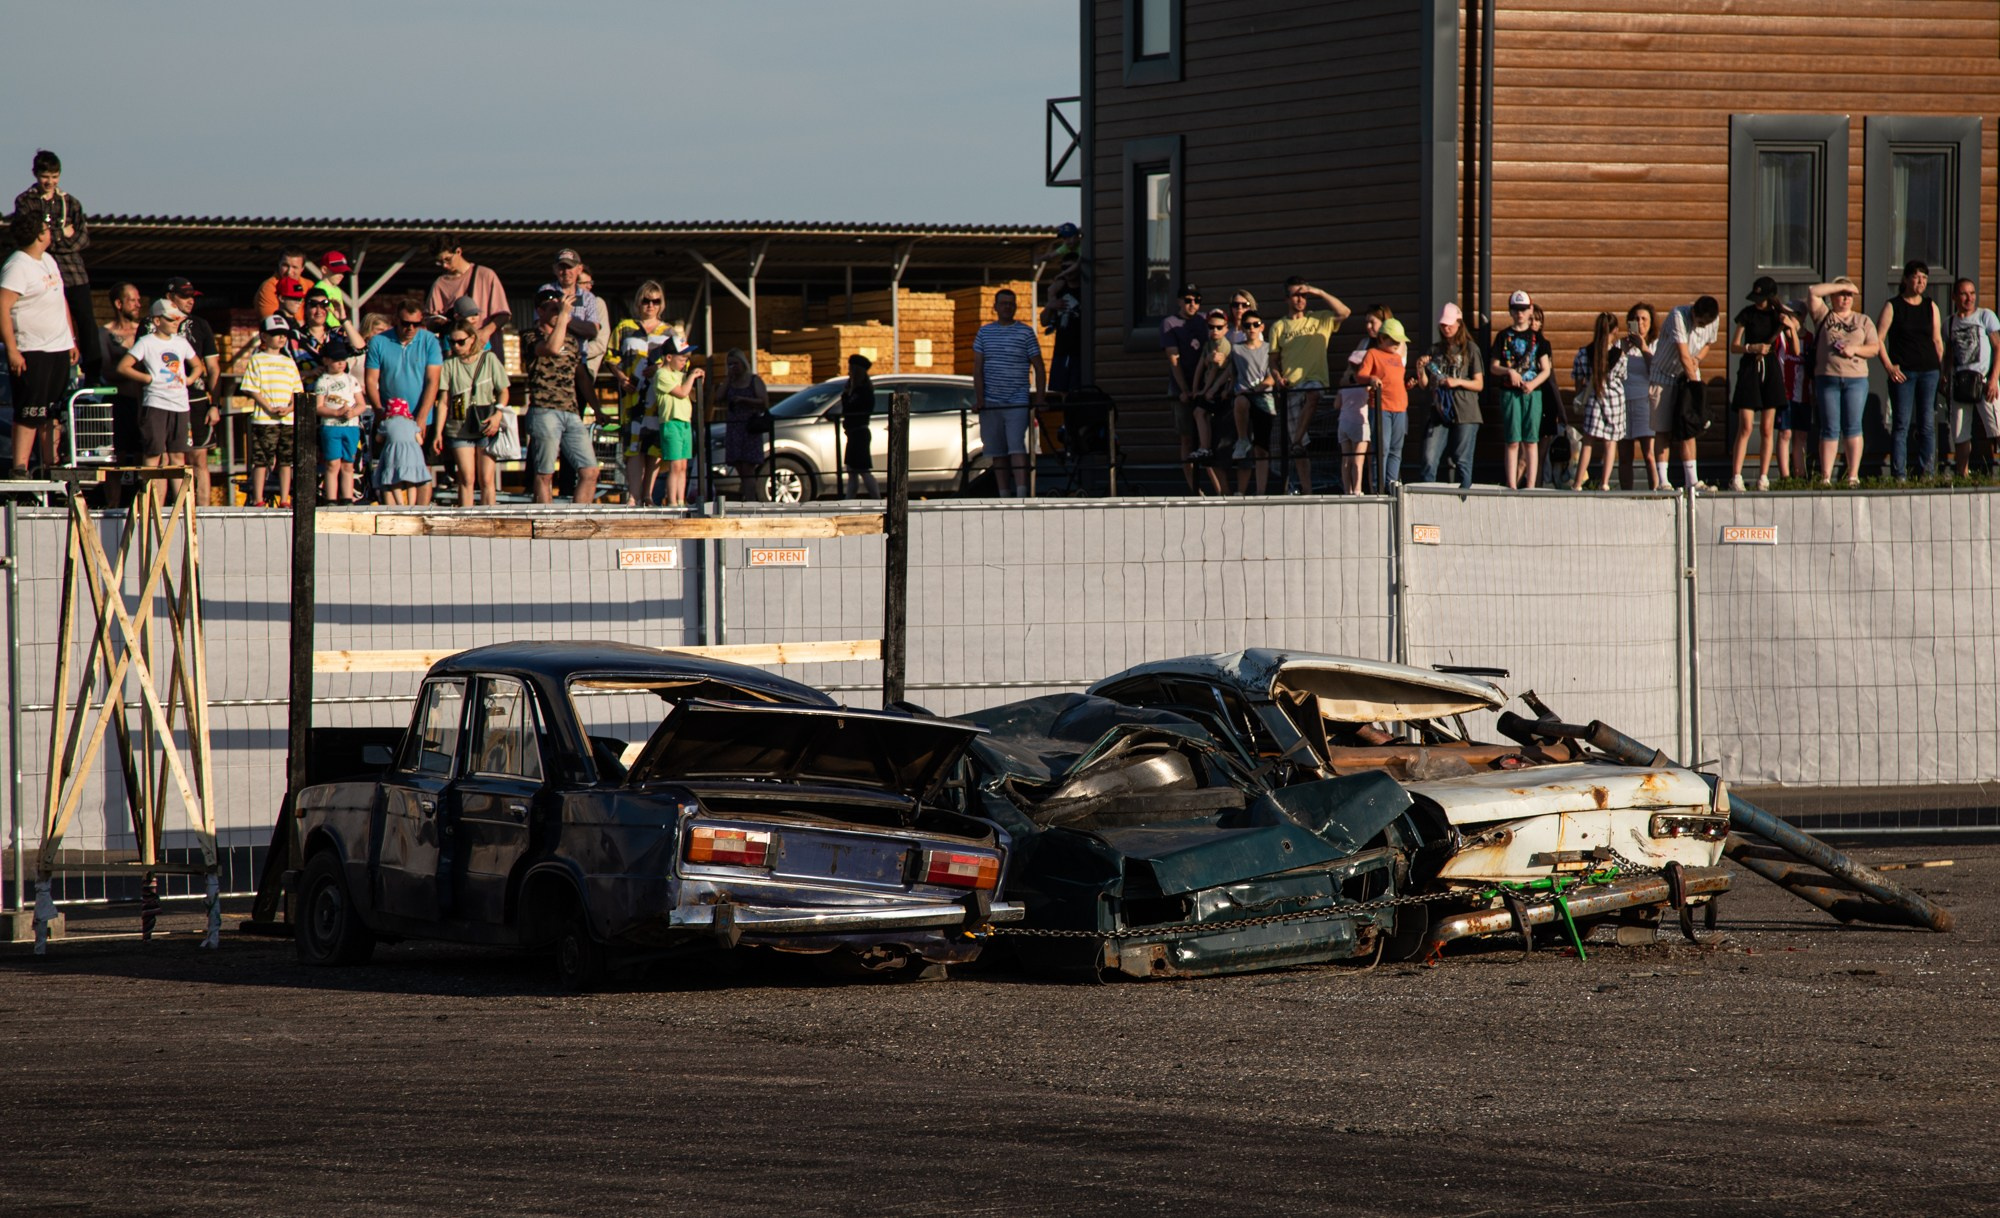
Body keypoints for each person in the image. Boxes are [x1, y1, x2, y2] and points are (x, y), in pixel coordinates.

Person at [0, 210, 77, 477]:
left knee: (52, 411)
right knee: (30, 410)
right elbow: (3, 306)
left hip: (57, 347)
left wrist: (70, 339)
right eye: (46, 228)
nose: (50, 232)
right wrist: (12, 349)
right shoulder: (17, 265)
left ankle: (51, 466)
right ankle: (20, 468)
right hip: (32, 349)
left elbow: (61, 298)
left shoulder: (48, 261)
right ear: (37, 233)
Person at [13, 151, 93, 381]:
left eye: (55, 176)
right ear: (36, 175)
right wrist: (60, 234)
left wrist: (51, 240)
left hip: (72, 271)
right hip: (41, 270)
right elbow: (28, 233)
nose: (50, 182)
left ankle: (93, 371)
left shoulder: (71, 202)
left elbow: (83, 238)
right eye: (45, 176)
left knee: (85, 319)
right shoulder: (25, 201)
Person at [1267, 278, 1352, 494]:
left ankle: (1295, 441)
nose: (1300, 299)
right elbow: (1273, 361)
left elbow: (1345, 312)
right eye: (1296, 294)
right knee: (1301, 447)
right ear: (1287, 298)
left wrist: (1319, 292)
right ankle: (1307, 491)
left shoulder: (1319, 319)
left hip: (1314, 379)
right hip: (1291, 386)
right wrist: (1278, 378)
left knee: (1314, 395)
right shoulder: (1279, 326)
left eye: (1303, 295)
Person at [523, 285, 597, 504]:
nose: (557, 313)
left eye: (560, 308)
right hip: (544, 411)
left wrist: (597, 407)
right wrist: (565, 315)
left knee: (590, 471)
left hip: (571, 412)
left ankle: (576, 523)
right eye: (552, 309)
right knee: (545, 473)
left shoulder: (572, 342)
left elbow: (582, 377)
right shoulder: (531, 336)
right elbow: (552, 348)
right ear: (540, 311)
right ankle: (545, 525)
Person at [365, 296, 443, 503]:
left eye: (416, 324)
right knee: (389, 467)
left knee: (422, 469)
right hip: (390, 419)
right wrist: (380, 412)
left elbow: (432, 381)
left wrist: (422, 417)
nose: (410, 328)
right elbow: (371, 381)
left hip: (421, 417)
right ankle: (392, 514)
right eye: (406, 323)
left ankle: (421, 514)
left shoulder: (429, 342)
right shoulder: (379, 341)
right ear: (396, 320)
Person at [971, 286, 1046, 498]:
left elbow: (1039, 366)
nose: (1007, 308)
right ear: (995, 307)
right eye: (1003, 304)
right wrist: (980, 399)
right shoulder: (984, 333)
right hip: (991, 401)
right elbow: (977, 368)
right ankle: (1004, 495)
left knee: (1016, 446)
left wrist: (1040, 398)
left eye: (1011, 304)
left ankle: (1022, 493)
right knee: (996, 450)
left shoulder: (1025, 332)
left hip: (1017, 399)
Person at [115, 298, 198, 483]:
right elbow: (123, 367)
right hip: (156, 403)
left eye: (178, 319)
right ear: (157, 321)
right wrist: (147, 378)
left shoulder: (181, 342)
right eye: (171, 319)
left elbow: (198, 366)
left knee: (178, 457)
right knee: (154, 454)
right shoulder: (146, 342)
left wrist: (190, 379)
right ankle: (150, 505)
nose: (176, 323)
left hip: (180, 404)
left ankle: (181, 506)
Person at [1807, 278, 1880, 486]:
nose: (1846, 297)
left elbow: (1874, 348)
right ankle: (1826, 477)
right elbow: (1813, 291)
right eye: (1841, 293)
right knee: (1829, 427)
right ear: (1833, 295)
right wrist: (1842, 285)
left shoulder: (1863, 320)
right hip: (1827, 378)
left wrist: (1854, 349)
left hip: (1855, 380)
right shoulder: (1824, 315)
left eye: (1849, 294)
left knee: (1853, 426)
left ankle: (1853, 476)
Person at [1878, 259, 1944, 481]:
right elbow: (1879, 340)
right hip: (1903, 373)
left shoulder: (1930, 306)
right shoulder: (1893, 306)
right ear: (1906, 279)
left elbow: (1937, 340)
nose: (1921, 281)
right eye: (1916, 277)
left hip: (1929, 371)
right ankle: (1899, 474)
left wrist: (1942, 369)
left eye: (1924, 278)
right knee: (1901, 424)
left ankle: (1927, 472)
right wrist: (1889, 367)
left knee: (1926, 423)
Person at [1649, 294, 1722, 491]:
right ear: (1693, 313)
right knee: (1663, 428)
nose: (1699, 326)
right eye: (1698, 322)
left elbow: (1708, 344)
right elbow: (1682, 355)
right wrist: (1699, 391)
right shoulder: (1678, 316)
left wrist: (1698, 358)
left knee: (1688, 429)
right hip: (1664, 375)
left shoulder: (1714, 320)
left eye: (1704, 324)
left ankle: (1693, 481)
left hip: (1688, 376)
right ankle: (1663, 482)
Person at [610, 282, 672, 502]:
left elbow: (681, 362)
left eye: (655, 301)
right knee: (634, 448)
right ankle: (633, 495)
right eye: (646, 300)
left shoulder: (668, 332)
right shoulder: (624, 327)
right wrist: (621, 377)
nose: (650, 305)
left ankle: (648, 494)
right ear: (638, 302)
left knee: (653, 448)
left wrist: (660, 367)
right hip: (632, 396)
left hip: (657, 398)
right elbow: (612, 357)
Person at [437, 318, 509, 506]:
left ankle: (490, 522)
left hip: (486, 423)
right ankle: (465, 522)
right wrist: (438, 432)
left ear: (472, 338)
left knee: (486, 479)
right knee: (466, 478)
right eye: (452, 342)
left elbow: (504, 391)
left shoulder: (489, 358)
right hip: (458, 426)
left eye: (461, 341)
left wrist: (498, 414)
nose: (456, 346)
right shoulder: (449, 364)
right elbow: (444, 401)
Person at [1728, 277, 1791, 491]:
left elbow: (1795, 343)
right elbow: (1734, 346)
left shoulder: (1778, 316)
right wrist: (1751, 347)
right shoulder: (1747, 314)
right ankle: (1736, 475)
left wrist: (1790, 324)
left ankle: (1764, 476)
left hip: (1770, 368)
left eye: (1762, 298)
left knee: (1767, 427)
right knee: (1745, 425)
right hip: (1750, 368)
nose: (1758, 302)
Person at [164, 278, 222, 505]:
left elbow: (214, 367)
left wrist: (215, 404)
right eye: (184, 296)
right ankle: (179, 508)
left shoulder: (200, 324)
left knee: (200, 458)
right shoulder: (152, 324)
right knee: (173, 458)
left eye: (193, 297)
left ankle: (204, 511)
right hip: (166, 400)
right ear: (170, 297)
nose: (190, 301)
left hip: (197, 399)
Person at [1413, 303, 1483, 489]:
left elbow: (1479, 384)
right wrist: (1420, 369)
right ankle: (1427, 497)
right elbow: (1425, 385)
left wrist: (1457, 382)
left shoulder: (1471, 349)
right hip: (1439, 410)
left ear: (1459, 323)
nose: (1446, 328)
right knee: (1429, 457)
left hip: (1466, 410)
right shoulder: (1434, 350)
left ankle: (1465, 498)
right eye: (1443, 325)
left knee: (1462, 459)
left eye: (1450, 324)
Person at [1489, 290, 1551, 489]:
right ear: (1510, 311)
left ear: (1530, 309)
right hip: (1510, 392)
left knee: (1531, 440)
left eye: (1523, 309)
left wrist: (1533, 384)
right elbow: (1493, 366)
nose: (1520, 313)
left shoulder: (1539, 340)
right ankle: (1511, 484)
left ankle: (1531, 485)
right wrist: (1509, 372)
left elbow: (1545, 369)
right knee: (1513, 440)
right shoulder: (1503, 336)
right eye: (1516, 309)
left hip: (1532, 393)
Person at [241, 315, 302, 507]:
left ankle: (285, 499)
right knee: (261, 460)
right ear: (264, 337)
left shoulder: (289, 362)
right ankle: (258, 498)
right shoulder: (257, 360)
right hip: (264, 419)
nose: (281, 338)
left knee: (286, 461)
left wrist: (289, 408)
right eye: (276, 334)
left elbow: (297, 391)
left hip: (287, 419)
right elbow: (250, 388)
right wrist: (269, 407)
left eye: (284, 334)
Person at [1945, 277, 2000, 478]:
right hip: (1961, 382)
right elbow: (1949, 354)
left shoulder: (1985, 316)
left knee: (1996, 426)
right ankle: (1963, 473)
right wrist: (1945, 375)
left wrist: (1994, 378)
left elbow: (1998, 347)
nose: (1969, 298)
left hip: (1984, 380)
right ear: (1954, 297)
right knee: (1960, 430)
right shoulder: (1949, 323)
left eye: (1972, 293)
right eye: (1964, 294)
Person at [1351, 316, 1410, 491]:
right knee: (1382, 449)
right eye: (1394, 340)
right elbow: (1360, 375)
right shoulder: (1373, 354)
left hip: (1400, 407)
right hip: (1381, 407)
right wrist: (1371, 378)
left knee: (1396, 449)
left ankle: (1392, 487)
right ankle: (1379, 488)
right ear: (1382, 338)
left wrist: (1408, 385)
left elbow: (1395, 381)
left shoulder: (1398, 358)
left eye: (1399, 341)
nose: (1397, 344)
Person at [1571, 312, 1627, 491]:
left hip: (1594, 398)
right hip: (1615, 401)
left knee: (1588, 441)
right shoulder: (1620, 355)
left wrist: (1579, 395)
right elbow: (1623, 376)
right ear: (1616, 331)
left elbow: (1578, 379)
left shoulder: (1584, 352)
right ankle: (1604, 483)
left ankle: (1577, 483)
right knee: (1610, 443)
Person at [1160, 284, 1208, 490]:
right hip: (1181, 387)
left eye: (1197, 300)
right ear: (1179, 301)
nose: (1193, 304)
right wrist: (1183, 390)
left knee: (1207, 439)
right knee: (1187, 437)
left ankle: (1216, 486)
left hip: (1206, 386)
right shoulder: (1170, 323)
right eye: (1188, 300)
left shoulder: (1205, 321)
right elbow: (1174, 359)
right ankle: (1193, 487)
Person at [426, 236, 511, 349]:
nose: (444, 265)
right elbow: (429, 320)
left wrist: (485, 332)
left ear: (458, 251)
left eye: (447, 259)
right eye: (440, 262)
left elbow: (504, 314)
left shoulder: (486, 275)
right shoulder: (440, 284)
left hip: (486, 351)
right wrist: (439, 322)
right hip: (456, 354)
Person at [649, 336, 704, 507]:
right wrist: (691, 377)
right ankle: (672, 500)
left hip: (684, 423)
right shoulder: (662, 374)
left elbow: (692, 394)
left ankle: (682, 499)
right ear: (669, 357)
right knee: (674, 465)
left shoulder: (681, 375)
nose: (684, 363)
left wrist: (697, 377)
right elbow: (681, 392)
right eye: (682, 359)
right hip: (671, 422)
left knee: (683, 465)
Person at [98, 282, 146, 469]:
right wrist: (133, 370)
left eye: (139, 300)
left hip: (143, 402)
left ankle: (141, 495)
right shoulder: (105, 333)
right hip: (121, 401)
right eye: (132, 300)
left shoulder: (143, 331)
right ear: (119, 304)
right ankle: (114, 499)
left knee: (144, 453)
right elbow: (107, 369)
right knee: (117, 456)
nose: (137, 304)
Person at [1186, 309, 1233, 493]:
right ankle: (1204, 448)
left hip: (1218, 390)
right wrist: (1194, 389)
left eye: (1219, 327)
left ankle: (1205, 448)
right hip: (1208, 389)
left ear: (1225, 329)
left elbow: (1214, 371)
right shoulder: (1209, 344)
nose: (1215, 330)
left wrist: (1204, 391)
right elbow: (1201, 366)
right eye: (1211, 326)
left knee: (1200, 412)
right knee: (1199, 413)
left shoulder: (1222, 345)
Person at [1229, 311, 1277, 495]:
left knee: (1261, 449)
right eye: (1247, 325)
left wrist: (1258, 388)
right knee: (1240, 402)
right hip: (1243, 396)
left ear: (1262, 326)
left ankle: (1261, 491)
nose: (1251, 328)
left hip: (1264, 399)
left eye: (1255, 324)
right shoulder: (1236, 349)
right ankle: (1242, 439)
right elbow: (1232, 375)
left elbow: (1272, 376)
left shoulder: (1268, 348)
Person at [313, 337, 365, 504]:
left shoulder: (351, 380)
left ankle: (347, 498)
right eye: (336, 360)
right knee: (332, 464)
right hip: (331, 427)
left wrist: (353, 412)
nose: (340, 363)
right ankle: (331, 498)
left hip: (351, 427)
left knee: (348, 464)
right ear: (326, 360)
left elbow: (361, 404)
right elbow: (318, 407)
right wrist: (336, 413)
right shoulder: (323, 381)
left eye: (343, 359)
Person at [1529, 305, 1572, 487]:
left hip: (1546, 399)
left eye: (1537, 319)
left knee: (1541, 451)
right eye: (1531, 318)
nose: (1534, 323)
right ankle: (1527, 485)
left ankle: (1537, 486)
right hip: (1528, 398)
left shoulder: (1544, 344)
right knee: (1527, 448)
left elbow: (1551, 379)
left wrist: (1561, 409)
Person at [718, 349, 769, 497]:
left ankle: (751, 499)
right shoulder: (730, 381)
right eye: (729, 364)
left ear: (743, 363)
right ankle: (746, 496)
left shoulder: (754, 380)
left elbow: (764, 402)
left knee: (748, 467)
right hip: (734, 428)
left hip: (749, 428)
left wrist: (744, 400)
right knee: (739, 466)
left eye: (735, 363)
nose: (733, 367)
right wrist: (728, 379)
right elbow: (718, 396)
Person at [1618, 303, 1658, 489]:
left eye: (1644, 319)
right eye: (1636, 319)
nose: (1640, 323)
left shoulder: (1655, 345)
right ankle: (1626, 494)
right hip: (1623, 403)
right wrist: (1622, 351)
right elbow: (1610, 371)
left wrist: (1643, 348)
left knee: (1649, 453)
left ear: (1651, 323)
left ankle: (1656, 492)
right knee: (1625, 455)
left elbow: (1656, 372)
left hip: (1645, 402)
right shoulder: (1620, 345)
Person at [1773, 301, 1813, 482]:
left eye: (1792, 316)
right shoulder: (1780, 337)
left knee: (1801, 435)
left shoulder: (1810, 338)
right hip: (1784, 393)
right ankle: (1785, 476)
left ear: (1801, 318)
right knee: (1785, 432)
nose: (1788, 319)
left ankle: (1800, 474)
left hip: (1803, 394)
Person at [373, 397, 432, 505]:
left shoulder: (386, 423)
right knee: (411, 481)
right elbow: (420, 441)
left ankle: (400, 504)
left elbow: (378, 439)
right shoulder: (412, 424)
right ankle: (411, 504)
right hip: (412, 456)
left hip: (394, 455)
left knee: (394, 480)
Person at [839, 352, 878, 498]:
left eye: (851, 369)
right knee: (852, 470)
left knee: (862, 469)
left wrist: (847, 395)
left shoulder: (864, 391)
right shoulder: (852, 389)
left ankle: (877, 499)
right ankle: (849, 500)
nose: (848, 372)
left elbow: (852, 408)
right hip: (852, 433)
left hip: (859, 433)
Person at [252, 247, 307, 321]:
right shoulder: (269, 287)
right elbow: (272, 323)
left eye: (294, 267)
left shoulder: (308, 285)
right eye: (285, 265)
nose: (289, 272)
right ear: (279, 264)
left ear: (302, 269)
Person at [314, 250, 353, 323]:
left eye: (343, 272)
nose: (341, 275)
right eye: (337, 271)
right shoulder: (319, 289)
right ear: (324, 270)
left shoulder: (337, 290)